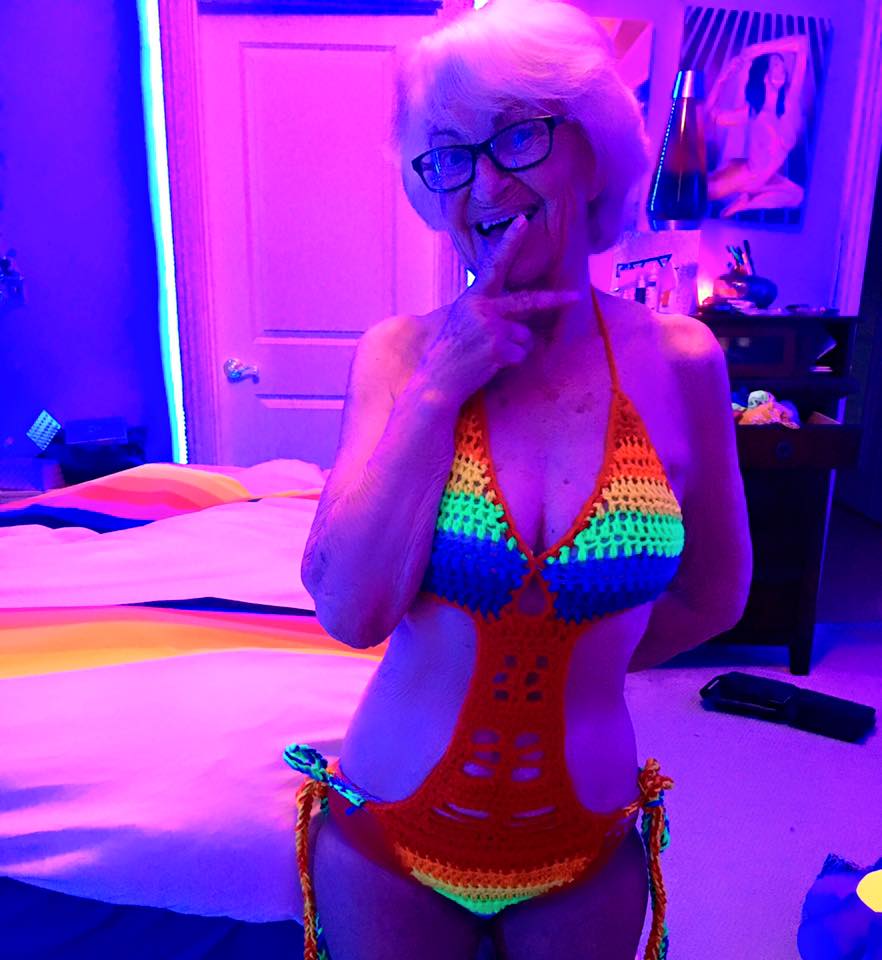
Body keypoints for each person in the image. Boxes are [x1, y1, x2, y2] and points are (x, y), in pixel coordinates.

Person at [292, 1, 753, 958]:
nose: (486, 182)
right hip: (388, 836)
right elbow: (350, 610)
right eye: (450, 156)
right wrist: (439, 387)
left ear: (592, 149)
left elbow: (715, 592)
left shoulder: (683, 361)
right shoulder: (396, 356)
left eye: (518, 136)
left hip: (588, 841)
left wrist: (584, 654)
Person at [705, 35, 809, 217]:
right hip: (745, 175)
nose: (781, 70)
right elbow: (711, 114)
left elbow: (802, 44)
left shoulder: (789, 102)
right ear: (765, 76)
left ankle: (744, 204)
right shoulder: (753, 111)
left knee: (797, 195)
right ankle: (743, 198)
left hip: (765, 181)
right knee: (706, 191)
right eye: (775, 65)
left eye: (782, 67)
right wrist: (721, 80)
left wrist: (760, 49)